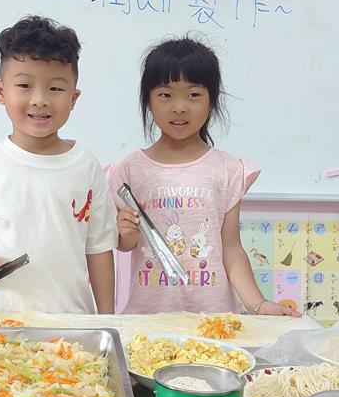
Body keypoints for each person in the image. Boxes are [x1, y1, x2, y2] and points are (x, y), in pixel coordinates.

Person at [107, 37, 300, 316]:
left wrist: (258, 305)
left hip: (212, 321)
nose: (179, 107)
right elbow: (125, 245)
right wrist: (125, 233)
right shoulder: (129, 170)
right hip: (147, 322)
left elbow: (231, 248)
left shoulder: (227, 170)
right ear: (148, 101)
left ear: (212, 101)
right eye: (165, 95)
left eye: (194, 95)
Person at [0, 15, 118, 313]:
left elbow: (99, 249)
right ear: (1, 92)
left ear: (73, 98)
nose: (39, 100)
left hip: (69, 322)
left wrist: (108, 320)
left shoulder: (86, 166)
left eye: (55, 89)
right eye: (24, 85)